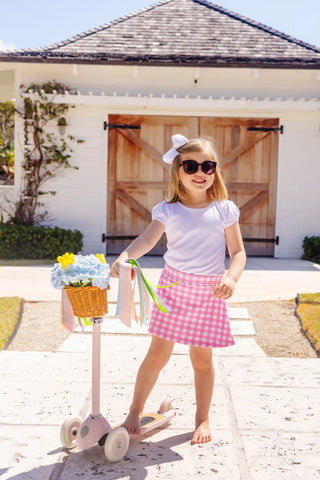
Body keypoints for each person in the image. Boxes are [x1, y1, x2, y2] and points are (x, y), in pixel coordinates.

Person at [110, 134, 246, 444]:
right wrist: (124, 256)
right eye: (191, 165)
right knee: (157, 355)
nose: (200, 172)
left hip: (209, 293)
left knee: (202, 360)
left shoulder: (225, 209)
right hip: (173, 290)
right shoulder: (168, 210)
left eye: (208, 166)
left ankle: (202, 419)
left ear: (215, 171)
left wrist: (232, 278)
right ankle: (134, 410)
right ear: (178, 170)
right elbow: (147, 240)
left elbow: (238, 253)